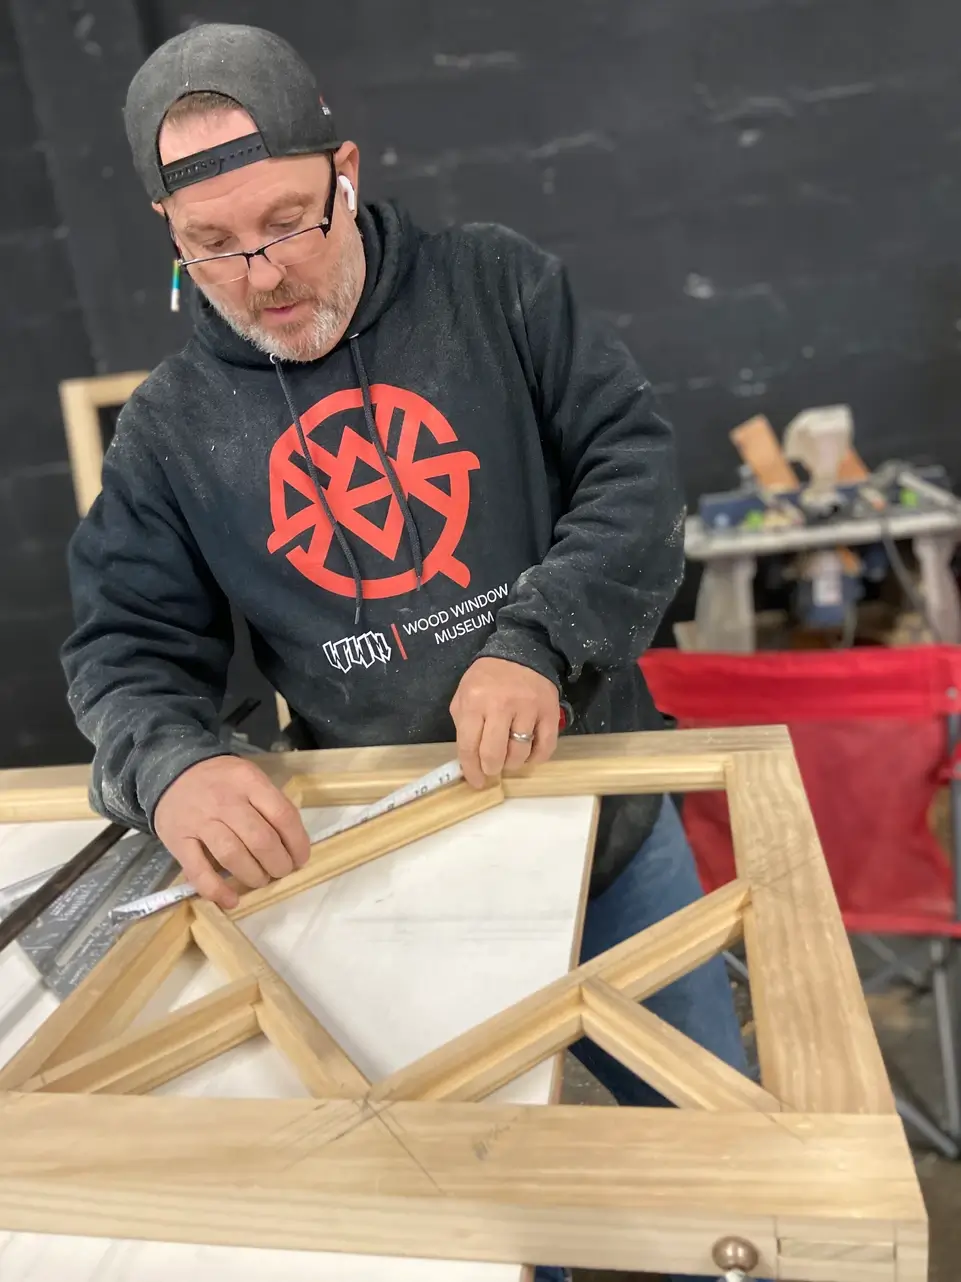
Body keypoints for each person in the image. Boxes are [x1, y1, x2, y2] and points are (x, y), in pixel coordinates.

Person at [61, 23, 747, 1282]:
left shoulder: (499, 286)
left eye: (288, 222)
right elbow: (123, 645)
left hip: (607, 829)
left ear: (348, 172)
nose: (264, 276)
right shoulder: (166, 433)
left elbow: (634, 474)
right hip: (406, 881)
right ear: (171, 237)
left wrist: (538, 637)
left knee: (727, 1181)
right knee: (475, 1233)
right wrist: (172, 766)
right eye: (213, 246)